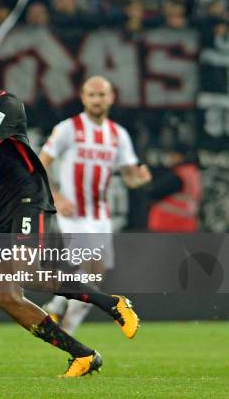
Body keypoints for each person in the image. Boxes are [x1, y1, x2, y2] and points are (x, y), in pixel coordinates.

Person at [0, 47, 139, 377]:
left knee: (28, 273)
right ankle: (83, 355)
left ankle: (113, 303)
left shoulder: (9, 104)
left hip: (26, 199)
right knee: (5, 297)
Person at [39, 76, 152, 335]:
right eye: (92, 95)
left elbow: (130, 177)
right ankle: (58, 311)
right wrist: (56, 196)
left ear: (111, 98)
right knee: (90, 264)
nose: (97, 100)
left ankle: (63, 321)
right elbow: (40, 163)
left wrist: (141, 179)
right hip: (72, 211)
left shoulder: (117, 134)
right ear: (83, 97)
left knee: (95, 275)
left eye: (102, 95)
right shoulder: (68, 128)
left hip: (100, 214)